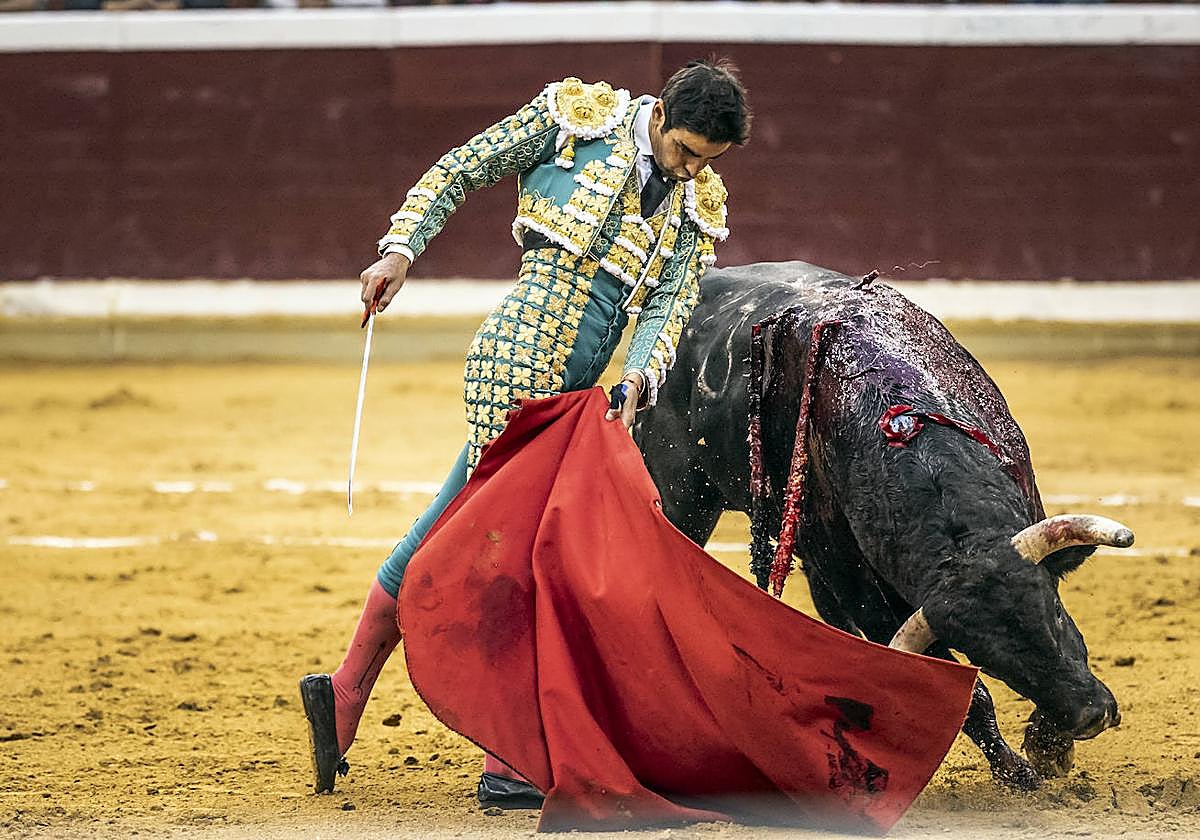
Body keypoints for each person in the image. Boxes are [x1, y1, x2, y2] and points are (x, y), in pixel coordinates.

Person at [300, 59, 751, 805]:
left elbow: (666, 307)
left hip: (575, 394)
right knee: (511, 549)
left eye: (708, 160)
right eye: (686, 152)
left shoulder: (697, 200)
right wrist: (400, 250)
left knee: (458, 527)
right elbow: (462, 167)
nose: (692, 169)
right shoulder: (579, 119)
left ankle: (347, 692)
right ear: (663, 115)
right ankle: (500, 756)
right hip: (515, 362)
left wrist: (638, 377)